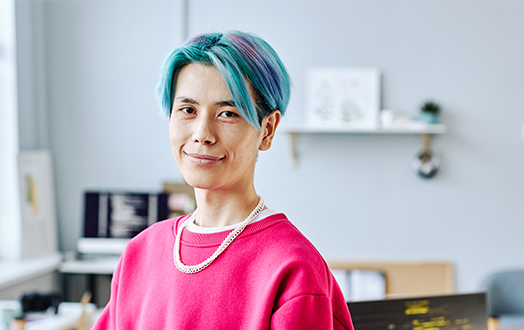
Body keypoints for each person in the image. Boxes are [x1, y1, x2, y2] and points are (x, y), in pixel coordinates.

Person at [91, 31, 354, 330]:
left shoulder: (293, 268)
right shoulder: (141, 253)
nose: (202, 133)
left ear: (267, 130)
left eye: (227, 113)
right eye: (188, 110)